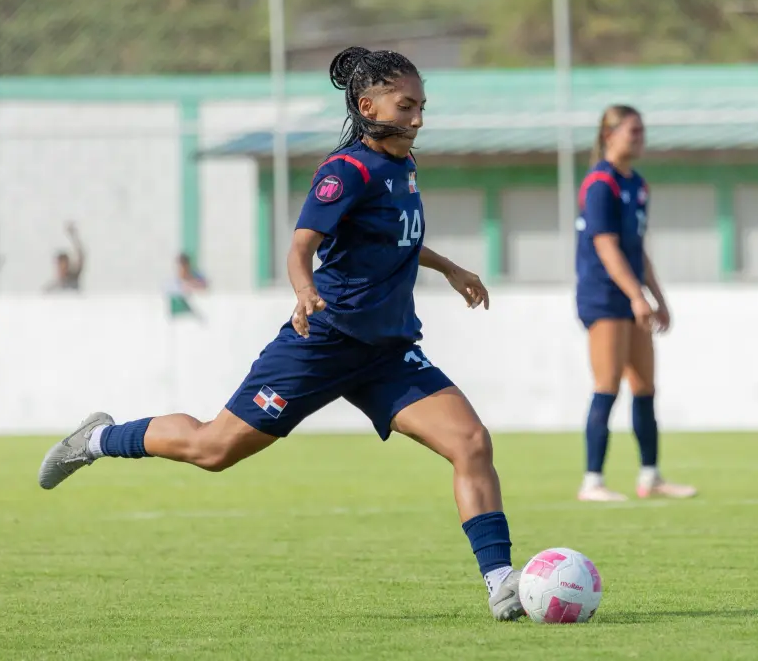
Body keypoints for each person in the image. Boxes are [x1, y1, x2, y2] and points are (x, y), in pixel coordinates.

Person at [37, 47, 526, 621]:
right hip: (322, 343)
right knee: (212, 448)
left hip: (387, 352)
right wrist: (302, 292)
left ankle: (502, 584)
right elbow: (301, 248)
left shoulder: (403, 166)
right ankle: (96, 440)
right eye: (406, 106)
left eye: (421, 106)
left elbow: (398, 238)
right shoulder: (345, 172)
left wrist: (450, 269)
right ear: (368, 106)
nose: (418, 119)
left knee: (471, 443)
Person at [573, 104, 697, 503]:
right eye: (633, 131)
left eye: (642, 131)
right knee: (607, 383)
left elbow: (636, 250)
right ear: (609, 135)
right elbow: (606, 246)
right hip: (604, 297)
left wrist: (657, 298)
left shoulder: (638, 185)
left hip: (631, 298)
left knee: (645, 386)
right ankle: (592, 480)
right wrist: (634, 295)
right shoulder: (600, 183)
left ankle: (651, 476)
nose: (640, 138)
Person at [45, 222, 84, 292]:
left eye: (64, 265)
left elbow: (81, 256)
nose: (61, 269)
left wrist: (74, 236)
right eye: (60, 265)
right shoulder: (53, 288)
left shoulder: (73, 278)